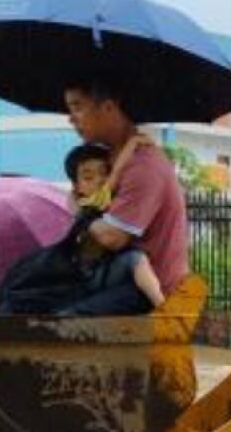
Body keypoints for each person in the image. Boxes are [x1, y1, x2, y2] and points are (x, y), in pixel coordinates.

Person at [57, 75, 189, 316]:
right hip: (116, 277)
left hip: (148, 291)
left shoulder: (144, 166)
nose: (70, 118)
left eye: (77, 106)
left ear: (108, 107)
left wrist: (80, 214)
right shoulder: (108, 161)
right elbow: (88, 193)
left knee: (61, 323)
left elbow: (111, 237)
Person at [64, 138, 166, 309]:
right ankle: (164, 307)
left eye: (105, 173)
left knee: (135, 259)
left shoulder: (112, 201)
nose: (100, 180)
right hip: (91, 278)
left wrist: (131, 144)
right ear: (77, 187)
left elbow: (117, 171)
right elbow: (117, 172)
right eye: (88, 177)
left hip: (107, 273)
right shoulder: (90, 202)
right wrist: (131, 144)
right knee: (135, 258)